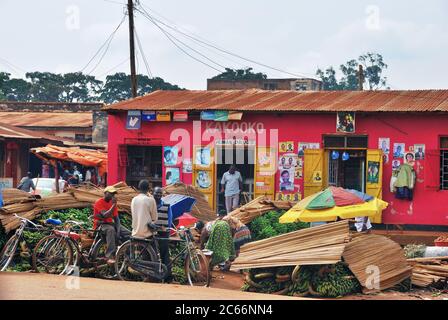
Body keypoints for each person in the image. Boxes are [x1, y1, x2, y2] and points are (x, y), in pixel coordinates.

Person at [93, 186, 131, 264]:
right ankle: (109, 256)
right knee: (111, 230)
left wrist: (118, 232)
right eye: (111, 193)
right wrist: (113, 205)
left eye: (113, 194)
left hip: (110, 224)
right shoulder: (99, 202)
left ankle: (128, 254)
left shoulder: (112, 203)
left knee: (129, 234)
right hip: (101, 225)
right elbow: (105, 215)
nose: (112, 196)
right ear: (105, 193)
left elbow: (117, 219)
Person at [153, 186, 172, 282]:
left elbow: (169, 219)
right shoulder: (150, 205)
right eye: (157, 193)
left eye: (160, 193)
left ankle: (167, 277)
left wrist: (167, 229)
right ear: (153, 193)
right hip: (152, 233)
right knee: (153, 254)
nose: (158, 195)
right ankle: (154, 276)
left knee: (165, 255)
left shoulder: (166, 205)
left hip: (163, 233)